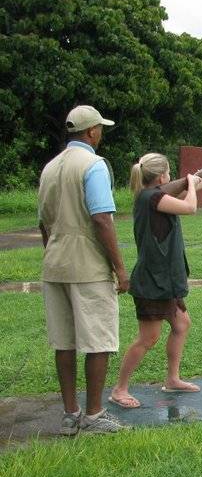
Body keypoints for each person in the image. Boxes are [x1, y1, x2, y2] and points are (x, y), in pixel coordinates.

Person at [109, 154, 202, 408]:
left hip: (165, 279)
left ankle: (172, 379)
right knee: (148, 338)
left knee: (181, 324)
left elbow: (189, 188)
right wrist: (192, 181)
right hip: (153, 281)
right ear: (160, 177)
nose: (171, 175)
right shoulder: (151, 197)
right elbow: (190, 206)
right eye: (168, 171)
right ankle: (119, 389)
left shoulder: (154, 196)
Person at [38, 105, 129, 434]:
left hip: (54, 264)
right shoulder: (94, 165)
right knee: (98, 340)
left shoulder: (50, 167)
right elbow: (101, 218)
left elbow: (43, 223)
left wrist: (54, 252)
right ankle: (93, 414)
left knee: (64, 342)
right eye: (100, 128)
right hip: (88, 266)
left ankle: (70, 414)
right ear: (92, 132)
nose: (100, 133)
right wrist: (120, 269)